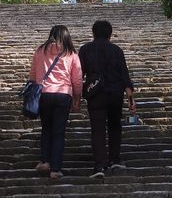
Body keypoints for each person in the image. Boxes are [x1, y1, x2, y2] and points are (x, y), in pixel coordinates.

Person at [79, 20, 136, 178]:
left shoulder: (85, 50)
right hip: (115, 93)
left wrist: (76, 95)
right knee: (115, 126)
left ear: (93, 32)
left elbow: (79, 75)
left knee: (97, 129)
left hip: (96, 94)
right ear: (110, 34)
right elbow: (124, 76)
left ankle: (99, 166)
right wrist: (131, 100)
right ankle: (114, 159)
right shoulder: (116, 50)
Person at [29, 25, 82, 179]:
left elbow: (33, 74)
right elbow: (77, 79)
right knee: (59, 132)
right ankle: (55, 169)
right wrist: (77, 97)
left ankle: (45, 161)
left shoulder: (40, 51)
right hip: (63, 95)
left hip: (44, 94)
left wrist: (33, 90)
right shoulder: (71, 53)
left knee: (46, 128)